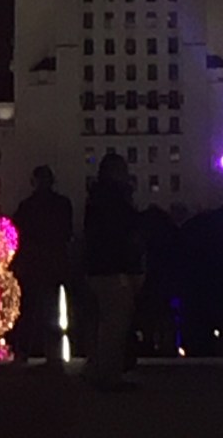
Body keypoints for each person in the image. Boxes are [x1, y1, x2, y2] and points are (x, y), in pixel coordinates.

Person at [83, 153, 145, 390]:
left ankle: (98, 369)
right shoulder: (117, 200)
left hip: (98, 268)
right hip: (114, 270)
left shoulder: (96, 199)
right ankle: (109, 375)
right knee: (115, 325)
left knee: (103, 323)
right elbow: (124, 235)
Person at [13, 165, 73, 362]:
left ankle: (24, 352)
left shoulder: (27, 206)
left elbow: (20, 235)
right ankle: (52, 355)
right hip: (53, 264)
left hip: (34, 265)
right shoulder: (62, 205)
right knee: (50, 311)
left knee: (30, 310)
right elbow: (66, 234)